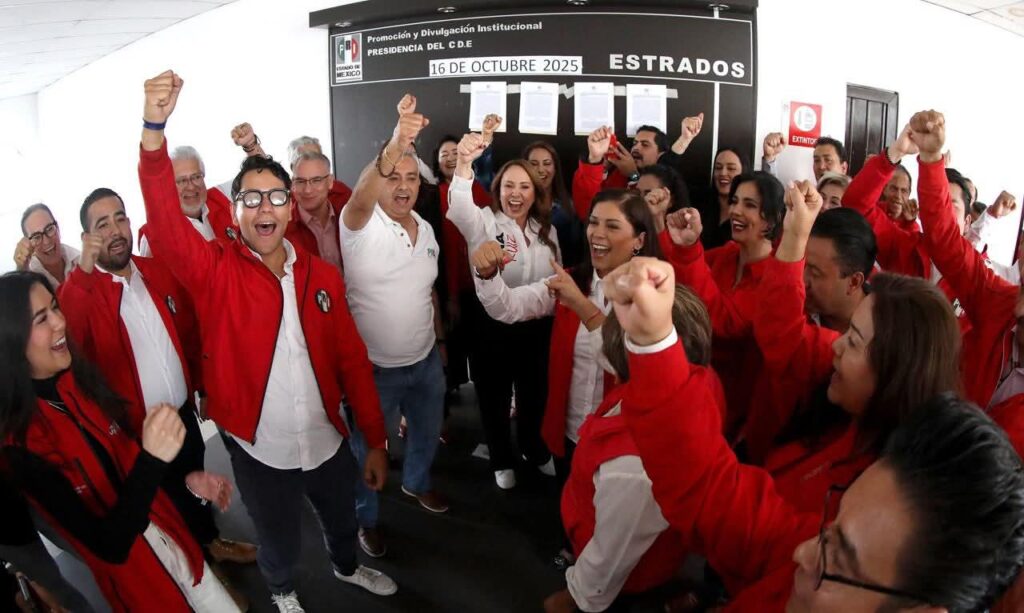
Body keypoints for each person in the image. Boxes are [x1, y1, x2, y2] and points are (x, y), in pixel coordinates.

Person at [602, 256, 1024, 612]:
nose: (803, 553)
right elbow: (724, 502)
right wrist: (653, 342)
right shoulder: (862, 451)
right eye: (825, 529)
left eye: (836, 557)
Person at [138, 70, 394, 612]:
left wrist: (373, 438)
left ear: (289, 207)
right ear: (233, 212)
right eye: (250, 198)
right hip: (261, 450)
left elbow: (351, 359)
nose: (264, 207)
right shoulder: (216, 272)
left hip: (327, 440)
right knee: (277, 538)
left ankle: (347, 567)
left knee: (342, 518)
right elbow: (164, 224)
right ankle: (281, 591)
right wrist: (153, 132)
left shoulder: (321, 277)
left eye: (276, 196)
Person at [0, 271, 239, 612]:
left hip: (180, 550)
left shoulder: (80, 381)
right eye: (41, 318)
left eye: (55, 307)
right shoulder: (21, 447)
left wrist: (187, 483)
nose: (59, 322)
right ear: (12, 340)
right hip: (145, 590)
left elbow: (129, 470)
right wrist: (153, 460)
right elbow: (108, 545)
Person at [57, 187, 258, 580]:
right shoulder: (84, 292)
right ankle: (199, 577)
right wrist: (82, 272)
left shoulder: (155, 272)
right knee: (166, 506)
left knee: (196, 485)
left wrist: (202, 387)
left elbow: (188, 332)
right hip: (140, 435)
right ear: (87, 238)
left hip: (183, 415)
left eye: (119, 218)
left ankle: (212, 543)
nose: (115, 230)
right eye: (102, 225)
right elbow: (71, 333)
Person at [543, 285, 718, 613]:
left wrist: (573, 598)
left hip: (626, 585)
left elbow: (609, 557)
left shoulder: (634, 465)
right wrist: (582, 305)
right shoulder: (693, 381)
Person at [469, 183, 662, 470]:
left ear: (639, 240)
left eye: (612, 226)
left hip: (621, 445)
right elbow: (508, 307)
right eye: (593, 222)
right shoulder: (571, 281)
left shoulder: (657, 297)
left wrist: (580, 304)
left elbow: (624, 363)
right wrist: (487, 275)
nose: (597, 233)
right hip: (569, 434)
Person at [340, 94, 449, 558]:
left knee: (425, 432)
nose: (403, 187)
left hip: (425, 362)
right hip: (374, 371)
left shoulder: (426, 228)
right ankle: (365, 519)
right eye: (393, 177)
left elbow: (428, 291)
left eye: (411, 177)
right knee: (367, 451)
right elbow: (364, 191)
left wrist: (439, 342)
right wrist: (397, 142)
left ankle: (416, 482)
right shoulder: (358, 224)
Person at [448, 125, 560, 489]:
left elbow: (554, 281)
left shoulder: (547, 230)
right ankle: (500, 457)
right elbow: (459, 206)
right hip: (491, 328)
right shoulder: (482, 222)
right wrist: (464, 162)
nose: (516, 193)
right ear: (498, 190)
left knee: (534, 395)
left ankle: (532, 447)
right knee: (493, 397)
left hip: (536, 329)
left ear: (535, 192)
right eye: (509, 185)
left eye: (524, 186)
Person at [661, 171, 785, 439]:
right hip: (692, 390)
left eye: (749, 205)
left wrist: (689, 249)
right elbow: (679, 271)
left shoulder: (776, 278)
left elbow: (725, 323)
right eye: (735, 201)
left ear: (772, 219)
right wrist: (672, 234)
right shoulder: (727, 254)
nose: (736, 211)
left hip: (733, 413)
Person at [431, 129, 495, 397]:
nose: (450, 158)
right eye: (444, 154)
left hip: (481, 281)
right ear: (436, 162)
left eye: (455, 152)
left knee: (483, 348)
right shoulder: (432, 195)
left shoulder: (478, 189)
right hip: (448, 281)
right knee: (452, 341)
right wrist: (452, 295)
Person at [137, 145, 237, 256]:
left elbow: (252, 174)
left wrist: (248, 144)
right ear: (167, 186)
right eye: (181, 181)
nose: (191, 186)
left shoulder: (221, 196)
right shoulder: (154, 236)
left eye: (196, 177)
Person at [524, 140, 584, 268]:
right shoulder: (517, 208)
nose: (540, 170)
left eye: (547, 163)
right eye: (533, 164)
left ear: (555, 168)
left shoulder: (569, 209)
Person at [285, 150, 345, 273]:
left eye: (316, 180)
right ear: (293, 184)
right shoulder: (284, 228)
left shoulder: (347, 216)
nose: (308, 190)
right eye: (300, 181)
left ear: (330, 182)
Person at [14, 204, 80, 289]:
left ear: (57, 228)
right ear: (29, 245)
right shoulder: (30, 276)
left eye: (49, 229)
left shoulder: (80, 260)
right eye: (37, 237)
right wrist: (20, 269)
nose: (46, 241)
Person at [636, 164, 688, 233]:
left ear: (670, 200)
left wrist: (657, 218)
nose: (642, 199)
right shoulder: (629, 226)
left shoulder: (685, 234)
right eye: (637, 193)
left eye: (648, 193)